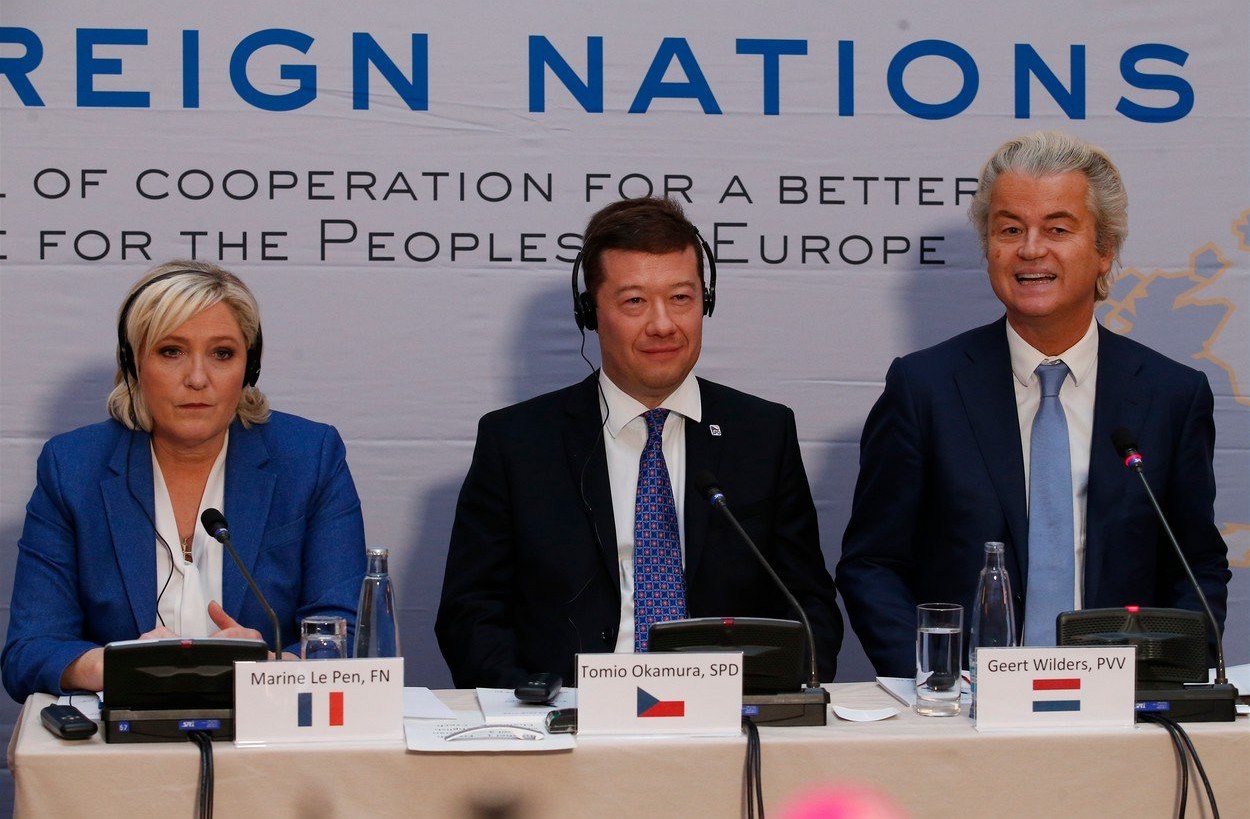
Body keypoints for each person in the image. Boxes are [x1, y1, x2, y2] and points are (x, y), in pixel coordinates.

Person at [836, 131, 1231, 677]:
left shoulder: (1171, 395)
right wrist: (934, 676)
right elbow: (872, 564)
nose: (1030, 250)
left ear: (1105, 250)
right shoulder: (924, 388)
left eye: (1058, 229)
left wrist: (1169, 674)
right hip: (966, 705)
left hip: (1121, 700)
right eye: (1010, 230)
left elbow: (1195, 567)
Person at [436, 196, 842, 688]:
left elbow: (808, 604)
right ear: (591, 312)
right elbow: (471, 614)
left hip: (725, 708)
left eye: (681, 298)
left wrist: (771, 693)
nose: (663, 324)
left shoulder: (763, 433)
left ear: (706, 303)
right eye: (634, 301)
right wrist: (538, 703)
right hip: (568, 712)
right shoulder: (518, 441)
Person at [2, 260, 367, 702]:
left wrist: (273, 669)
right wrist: (115, 665)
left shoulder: (309, 458)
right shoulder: (74, 467)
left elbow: (348, 634)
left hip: (271, 721)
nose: (197, 379)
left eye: (222, 354)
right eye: (171, 351)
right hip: (127, 730)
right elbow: (30, 650)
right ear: (134, 364)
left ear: (249, 368)